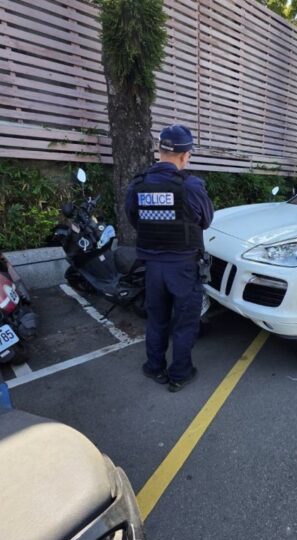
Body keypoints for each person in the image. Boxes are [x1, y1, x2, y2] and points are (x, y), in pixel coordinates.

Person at [125, 125, 214, 392]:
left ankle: (155, 367)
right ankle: (180, 374)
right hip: (183, 267)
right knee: (185, 323)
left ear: (159, 150)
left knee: (157, 319)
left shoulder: (138, 184)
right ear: (185, 155)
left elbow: (134, 219)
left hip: (152, 267)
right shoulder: (191, 186)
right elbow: (206, 220)